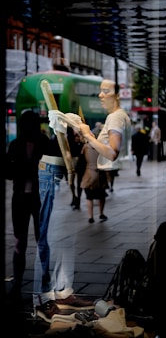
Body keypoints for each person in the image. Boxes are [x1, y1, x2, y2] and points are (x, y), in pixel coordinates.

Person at [33, 128, 94, 323]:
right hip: (53, 172)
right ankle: (42, 299)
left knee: (66, 238)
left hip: (62, 172)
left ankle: (63, 291)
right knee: (47, 239)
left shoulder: (68, 138)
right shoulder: (55, 136)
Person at [5, 110, 50, 300]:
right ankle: (19, 281)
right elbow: (7, 171)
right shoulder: (16, 145)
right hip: (22, 197)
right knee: (20, 240)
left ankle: (43, 278)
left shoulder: (44, 143)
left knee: (39, 240)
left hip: (38, 197)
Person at [79, 79, 131, 198]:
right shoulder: (117, 115)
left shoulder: (115, 117)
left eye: (106, 91)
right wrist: (90, 137)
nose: (100, 95)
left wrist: (88, 136)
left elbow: (112, 153)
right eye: (101, 91)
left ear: (117, 96)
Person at [80, 130, 109, 223]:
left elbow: (81, 162)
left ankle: (90, 216)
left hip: (89, 174)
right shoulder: (102, 148)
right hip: (100, 174)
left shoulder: (85, 147)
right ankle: (101, 213)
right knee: (102, 196)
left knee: (89, 196)